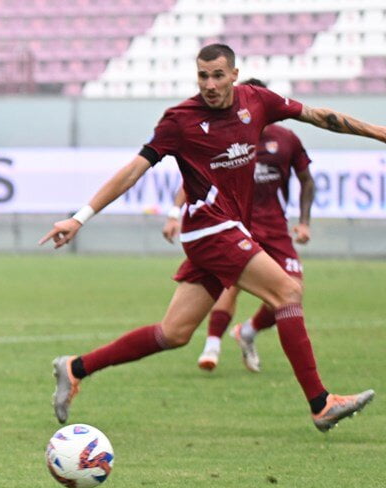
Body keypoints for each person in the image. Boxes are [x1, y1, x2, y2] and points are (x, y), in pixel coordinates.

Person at [41, 44, 377, 432]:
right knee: (288, 292)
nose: (210, 84)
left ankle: (75, 367)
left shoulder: (258, 101)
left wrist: (379, 132)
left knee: (174, 333)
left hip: (227, 229)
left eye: (218, 75)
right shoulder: (180, 120)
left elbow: (320, 116)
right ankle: (321, 403)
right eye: (203, 76)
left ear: (235, 74)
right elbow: (134, 170)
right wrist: (80, 217)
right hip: (208, 228)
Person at [161, 79, 316, 373]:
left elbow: (307, 180)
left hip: (276, 229)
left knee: (291, 291)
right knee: (228, 287)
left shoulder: (287, 139)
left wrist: (305, 223)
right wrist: (173, 213)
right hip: (232, 225)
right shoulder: (225, 138)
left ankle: (248, 331)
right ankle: (212, 346)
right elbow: (194, 182)